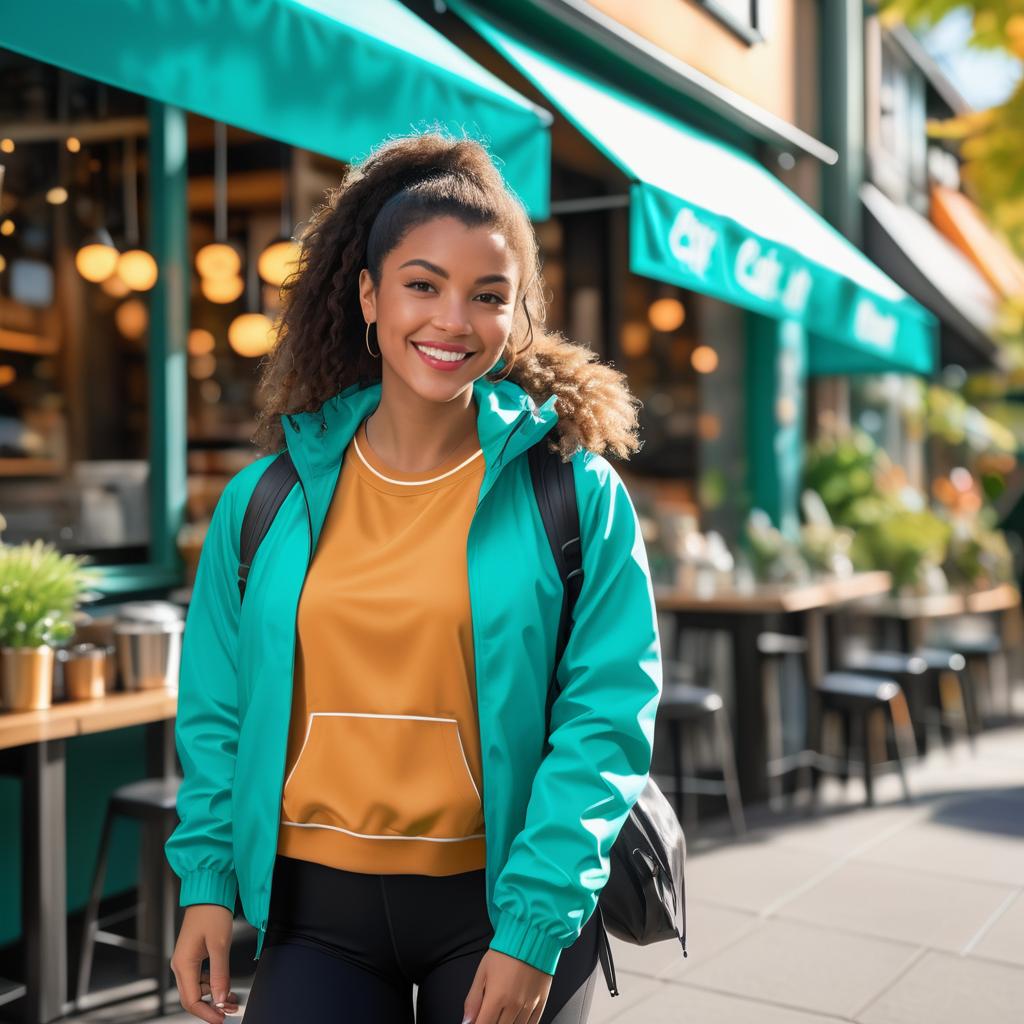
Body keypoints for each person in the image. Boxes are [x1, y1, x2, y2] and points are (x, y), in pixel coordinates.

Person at [165, 131, 663, 1024]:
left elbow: (607, 720)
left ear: (515, 317)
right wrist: (206, 880)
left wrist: (534, 928)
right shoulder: (268, 497)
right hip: (315, 916)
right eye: (422, 285)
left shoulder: (573, 491)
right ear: (369, 294)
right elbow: (216, 708)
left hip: (500, 904)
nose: (452, 321)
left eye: (487, 296)